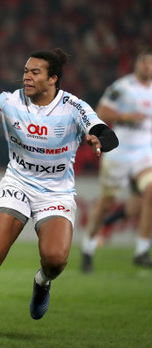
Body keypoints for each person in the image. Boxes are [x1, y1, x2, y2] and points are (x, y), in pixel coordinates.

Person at [0, 48, 118, 341]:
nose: (26, 77)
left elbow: (106, 133)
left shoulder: (74, 107)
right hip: (18, 184)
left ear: (53, 79)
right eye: (26, 71)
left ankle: (42, 281)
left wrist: (99, 138)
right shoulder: (10, 101)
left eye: (34, 72)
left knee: (55, 259)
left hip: (56, 192)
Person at [81, 48, 152, 272]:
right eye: (144, 63)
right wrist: (126, 116)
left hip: (144, 154)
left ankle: (141, 250)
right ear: (137, 64)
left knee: (151, 191)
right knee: (107, 204)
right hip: (119, 153)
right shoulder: (122, 88)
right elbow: (101, 112)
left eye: (151, 64)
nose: (147, 67)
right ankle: (88, 246)